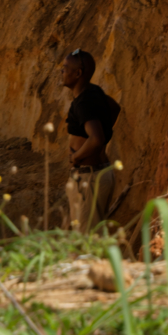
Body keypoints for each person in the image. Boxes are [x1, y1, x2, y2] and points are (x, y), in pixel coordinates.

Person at [59, 48, 121, 231]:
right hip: (99, 174)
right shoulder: (94, 92)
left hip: (89, 178)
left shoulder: (84, 103)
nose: (62, 71)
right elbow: (114, 108)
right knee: (93, 234)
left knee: (86, 241)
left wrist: (76, 157)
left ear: (78, 73)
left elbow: (96, 138)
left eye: (65, 68)